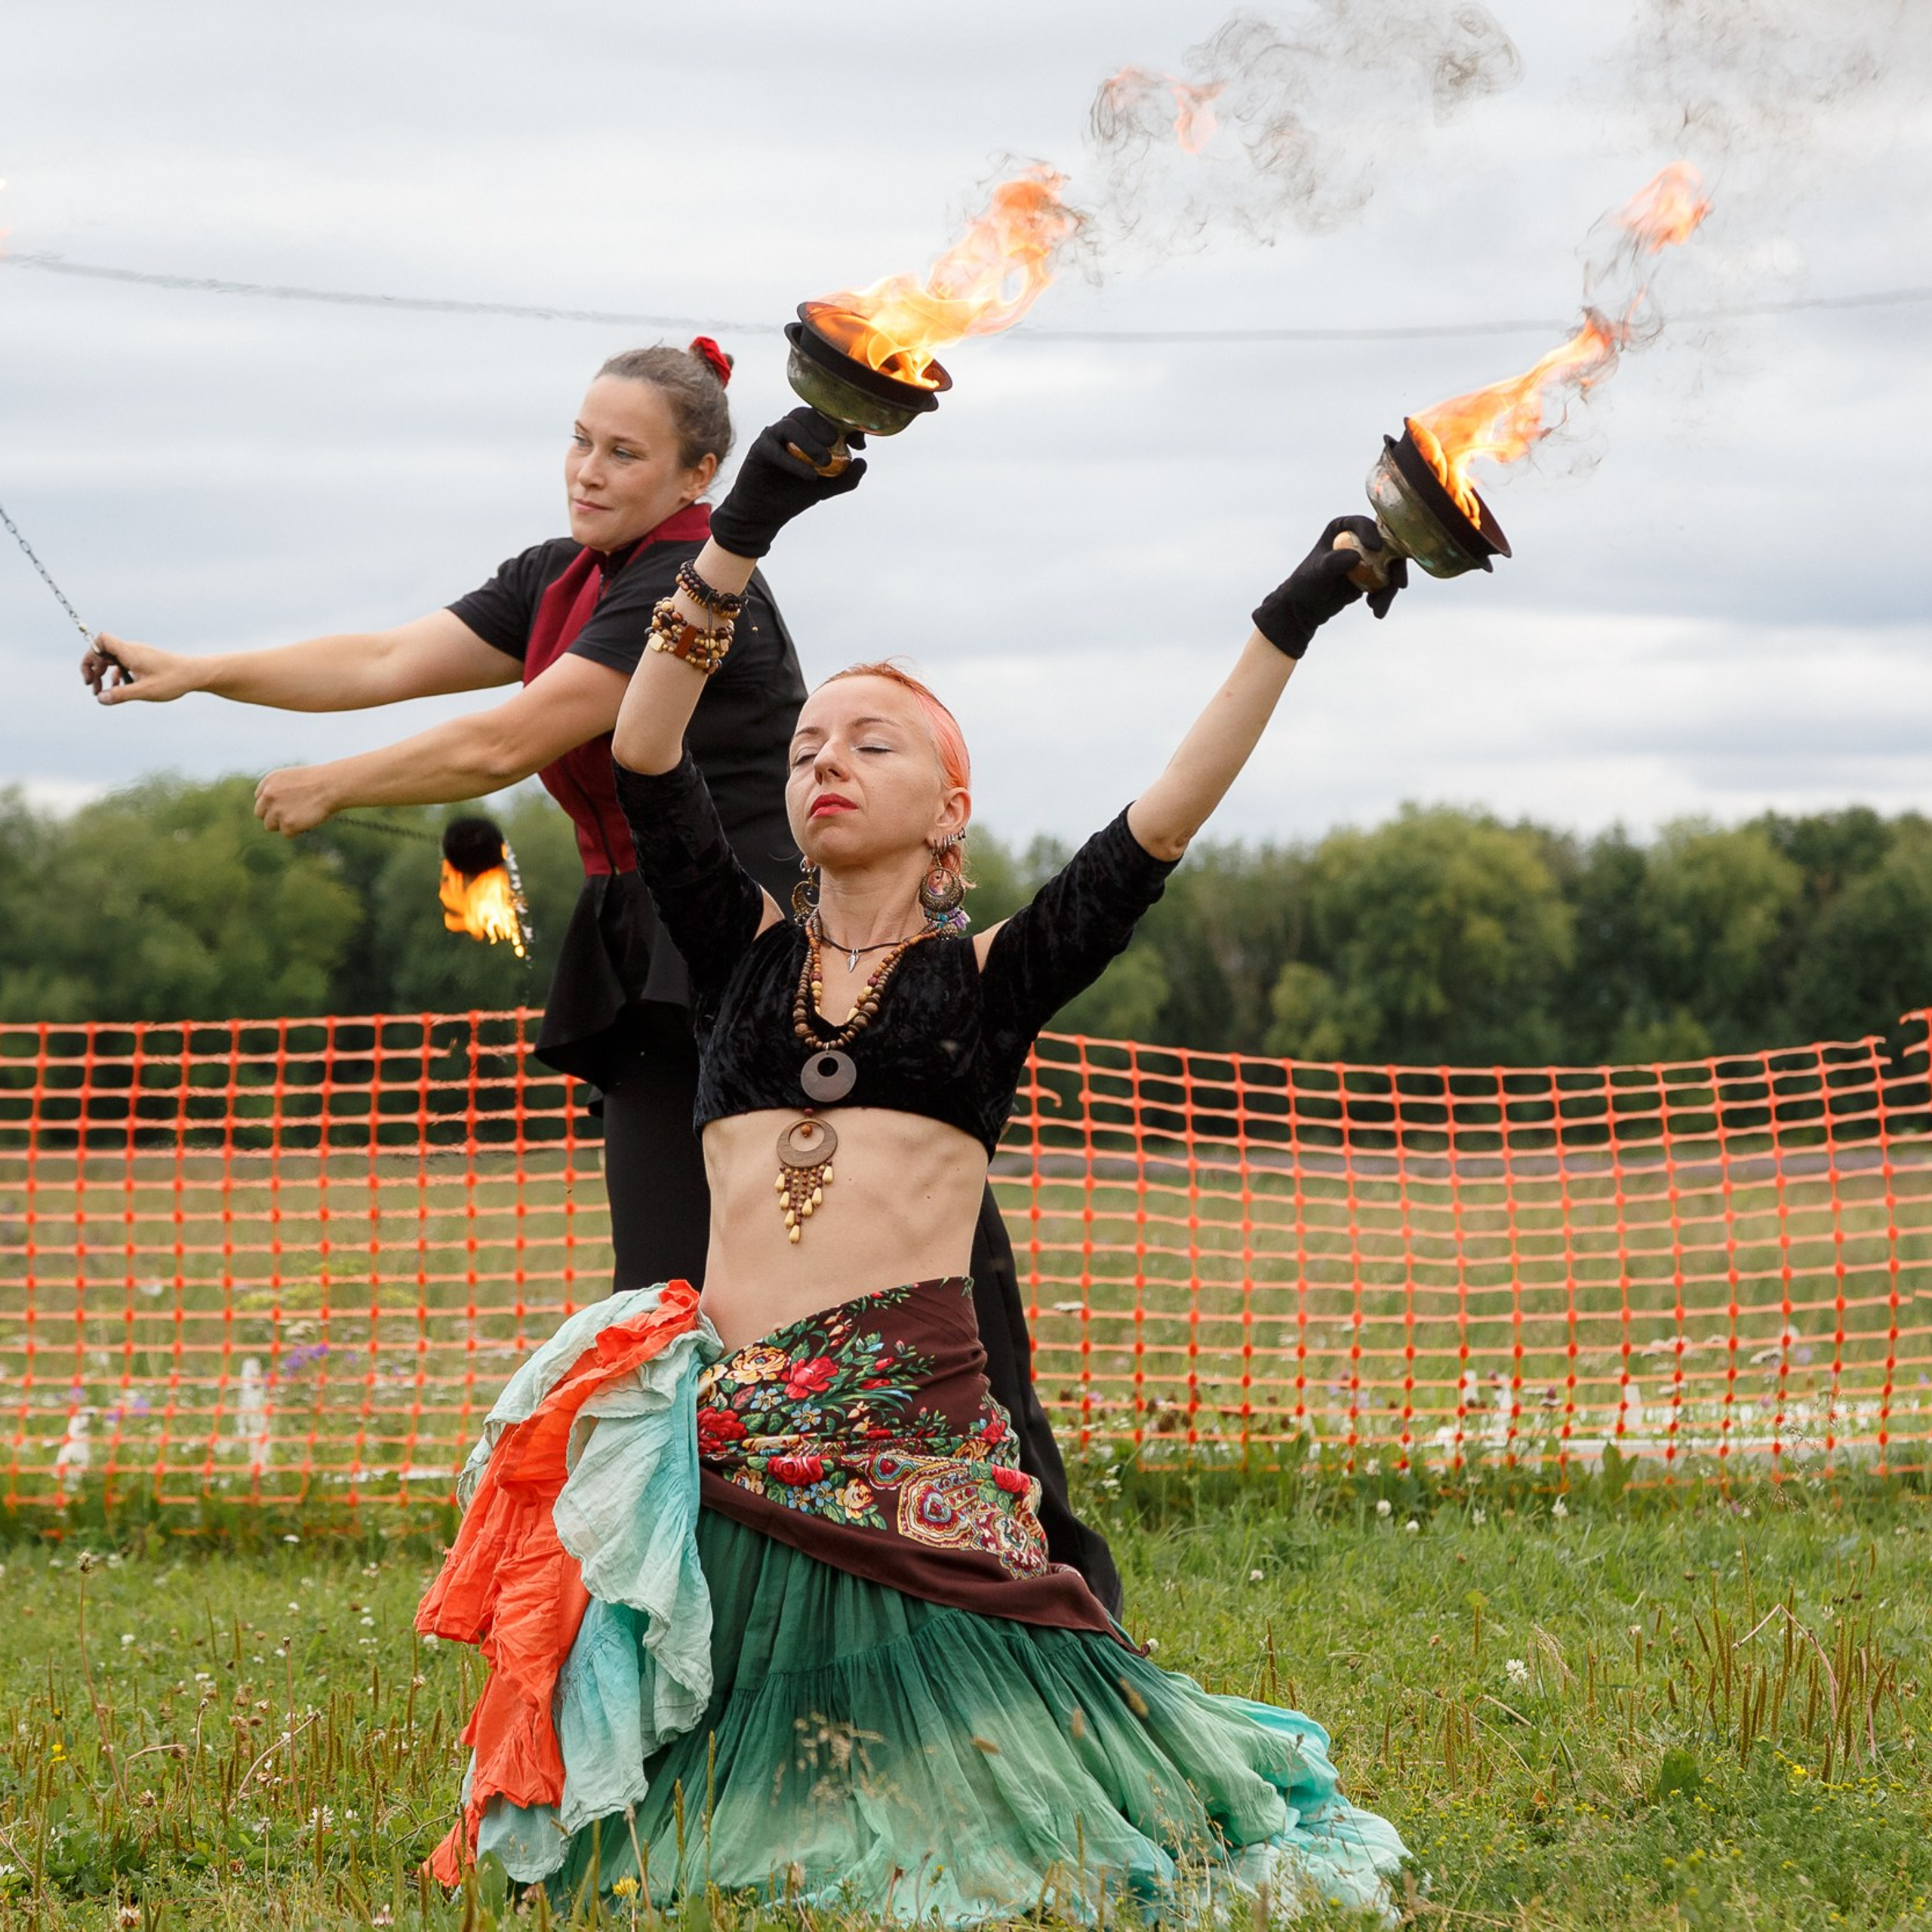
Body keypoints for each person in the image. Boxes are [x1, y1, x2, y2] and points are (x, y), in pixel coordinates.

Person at [414, 406, 1411, 1922]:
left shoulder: (989, 979)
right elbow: (641, 748)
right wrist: (738, 529)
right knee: (716, 1819)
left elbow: (1160, 821)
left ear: (949, 811)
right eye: (809, 742)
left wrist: (1286, 618)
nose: (825, 759)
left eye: (869, 741)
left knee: (1041, 1811)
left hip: (920, 1455)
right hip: (738, 1457)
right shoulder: (737, 953)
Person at [77, 345, 1121, 1609]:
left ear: (697, 473)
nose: (586, 470)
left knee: (939, 1300)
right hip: (642, 956)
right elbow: (385, 658)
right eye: (579, 440)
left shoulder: (684, 581)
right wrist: (199, 671)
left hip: (775, 949)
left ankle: (1058, 1586)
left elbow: (515, 734)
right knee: (673, 1305)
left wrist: (339, 781)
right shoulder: (557, 579)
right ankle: (701, 1621)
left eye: (623, 451)